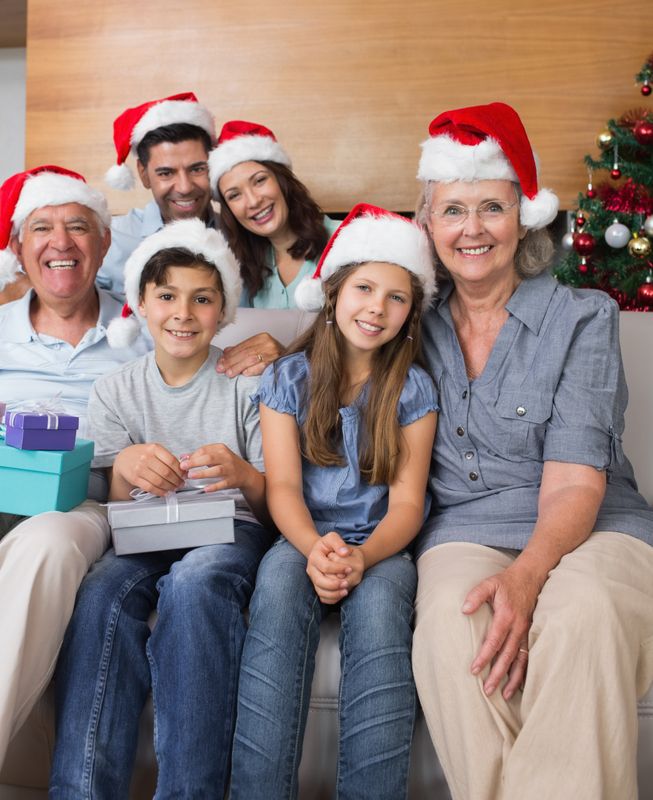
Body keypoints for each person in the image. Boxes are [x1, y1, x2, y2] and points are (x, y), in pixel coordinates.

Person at [411, 101, 653, 800]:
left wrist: (527, 578)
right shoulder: (405, 320)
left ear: (523, 219)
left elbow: (577, 484)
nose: (472, 229)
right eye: (452, 210)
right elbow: (332, 350)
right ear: (428, 226)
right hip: (464, 529)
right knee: (449, 631)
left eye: (491, 206)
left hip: (593, 523)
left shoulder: (582, 316)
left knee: (581, 617)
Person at [49, 218, 275, 799]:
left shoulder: (248, 383)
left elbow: (280, 502)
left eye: (202, 299)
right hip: (144, 531)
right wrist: (125, 469)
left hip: (229, 531)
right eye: (167, 297)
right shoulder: (115, 390)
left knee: (196, 582)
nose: (183, 312)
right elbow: (109, 501)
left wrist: (244, 474)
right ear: (141, 306)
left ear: (223, 310)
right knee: (100, 593)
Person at [230, 203, 438, 800]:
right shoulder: (288, 379)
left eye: (397, 298)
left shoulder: (413, 390)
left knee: (379, 615)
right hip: (301, 535)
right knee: (275, 589)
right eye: (365, 288)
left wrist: (362, 558)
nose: (377, 307)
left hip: (380, 545)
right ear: (333, 294)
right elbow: (284, 489)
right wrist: (314, 548)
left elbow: (406, 507)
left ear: (411, 314)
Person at [0, 165, 149, 768]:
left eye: (78, 227)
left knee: (49, 543)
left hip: (87, 501)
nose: (61, 243)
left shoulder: (146, 325)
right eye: (42, 228)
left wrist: (272, 346)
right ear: (17, 247)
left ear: (105, 242)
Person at [208, 119, 339, 377]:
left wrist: (287, 358)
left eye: (259, 181)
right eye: (235, 195)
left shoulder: (348, 239)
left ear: (282, 180)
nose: (254, 201)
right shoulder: (240, 269)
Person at [97, 91, 218, 297]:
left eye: (197, 169)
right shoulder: (110, 241)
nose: (184, 187)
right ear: (144, 174)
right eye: (166, 173)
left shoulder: (241, 237)